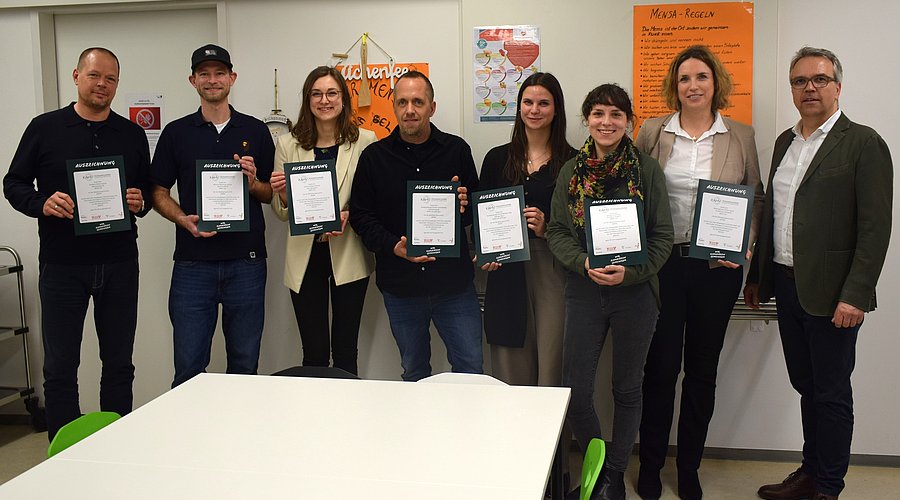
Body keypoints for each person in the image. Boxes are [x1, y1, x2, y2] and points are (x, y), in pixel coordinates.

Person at [745, 47, 892, 500]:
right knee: (806, 385)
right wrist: (758, 279)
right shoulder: (784, 143)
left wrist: (855, 295)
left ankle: (828, 486)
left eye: (820, 79)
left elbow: (874, 228)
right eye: (800, 81)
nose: (809, 87)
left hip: (833, 295)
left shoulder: (864, 143)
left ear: (837, 86)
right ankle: (810, 473)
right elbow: (773, 213)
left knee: (830, 393)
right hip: (788, 286)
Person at [634, 45, 765, 500]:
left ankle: (688, 467)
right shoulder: (652, 132)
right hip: (662, 264)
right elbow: (631, 190)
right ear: (675, 86)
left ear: (716, 84)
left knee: (702, 371)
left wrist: (744, 245)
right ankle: (650, 465)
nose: (693, 85)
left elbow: (755, 197)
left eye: (702, 77)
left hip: (716, 267)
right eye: (685, 78)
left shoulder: (741, 135)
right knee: (661, 368)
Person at [3, 47, 152, 440]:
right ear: (76, 76)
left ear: (117, 83)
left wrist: (141, 202)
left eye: (110, 78)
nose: (102, 84)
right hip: (62, 266)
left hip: (119, 264)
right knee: (60, 368)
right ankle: (64, 453)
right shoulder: (44, 128)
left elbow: (146, 196)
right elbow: (13, 184)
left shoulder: (132, 134)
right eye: (94, 76)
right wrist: (41, 202)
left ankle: (115, 443)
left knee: (119, 364)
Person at [547, 84, 673, 500]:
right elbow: (558, 231)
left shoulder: (647, 171)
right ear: (587, 119)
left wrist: (631, 273)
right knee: (577, 389)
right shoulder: (571, 172)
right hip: (583, 291)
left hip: (635, 295)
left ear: (629, 123)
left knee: (627, 389)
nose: (606, 122)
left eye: (616, 115)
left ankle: (614, 475)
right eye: (598, 113)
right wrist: (583, 262)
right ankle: (596, 470)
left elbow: (662, 238)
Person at [151, 44, 274, 387]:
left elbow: (269, 193)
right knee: (189, 369)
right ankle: (191, 440)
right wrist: (182, 219)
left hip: (246, 263)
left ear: (232, 78)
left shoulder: (256, 130)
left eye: (220, 72)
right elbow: (158, 191)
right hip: (193, 264)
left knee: (245, 365)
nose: (212, 80)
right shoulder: (176, 133)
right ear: (192, 80)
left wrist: (252, 184)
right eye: (204, 73)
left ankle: (240, 438)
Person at [349, 71, 483, 382]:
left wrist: (463, 204)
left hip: (454, 286)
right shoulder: (373, 158)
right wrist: (393, 245)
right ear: (394, 107)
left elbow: (475, 212)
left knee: (471, 369)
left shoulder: (457, 151)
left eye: (418, 102)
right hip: (401, 285)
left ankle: (466, 431)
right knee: (415, 372)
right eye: (403, 102)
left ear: (432, 107)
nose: (410, 109)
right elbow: (361, 216)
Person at [269, 66, 376, 375]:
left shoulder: (366, 141)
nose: (324, 100)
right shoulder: (287, 144)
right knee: (313, 352)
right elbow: (280, 212)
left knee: (346, 349)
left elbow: (373, 199)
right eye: (316, 93)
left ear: (343, 98)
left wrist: (349, 216)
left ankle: (347, 420)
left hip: (349, 253)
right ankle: (313, 420)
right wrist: (285, 195)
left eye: (331, 93)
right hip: (305, 257)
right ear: (307, 99)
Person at [479, 72, 575, 386]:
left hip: (554, 269)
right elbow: (481, 222)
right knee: (510, 368)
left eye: (543, 103)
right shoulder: (496, 160)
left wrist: (548, 228)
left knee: (554, 365)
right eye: (528, 102)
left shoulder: (573, 163)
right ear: (519, 106)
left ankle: (556, 437)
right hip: (506, 271)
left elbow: (586, 229)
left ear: (556, 109)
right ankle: (511, 436)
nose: (534, 110)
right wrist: (485, 253)